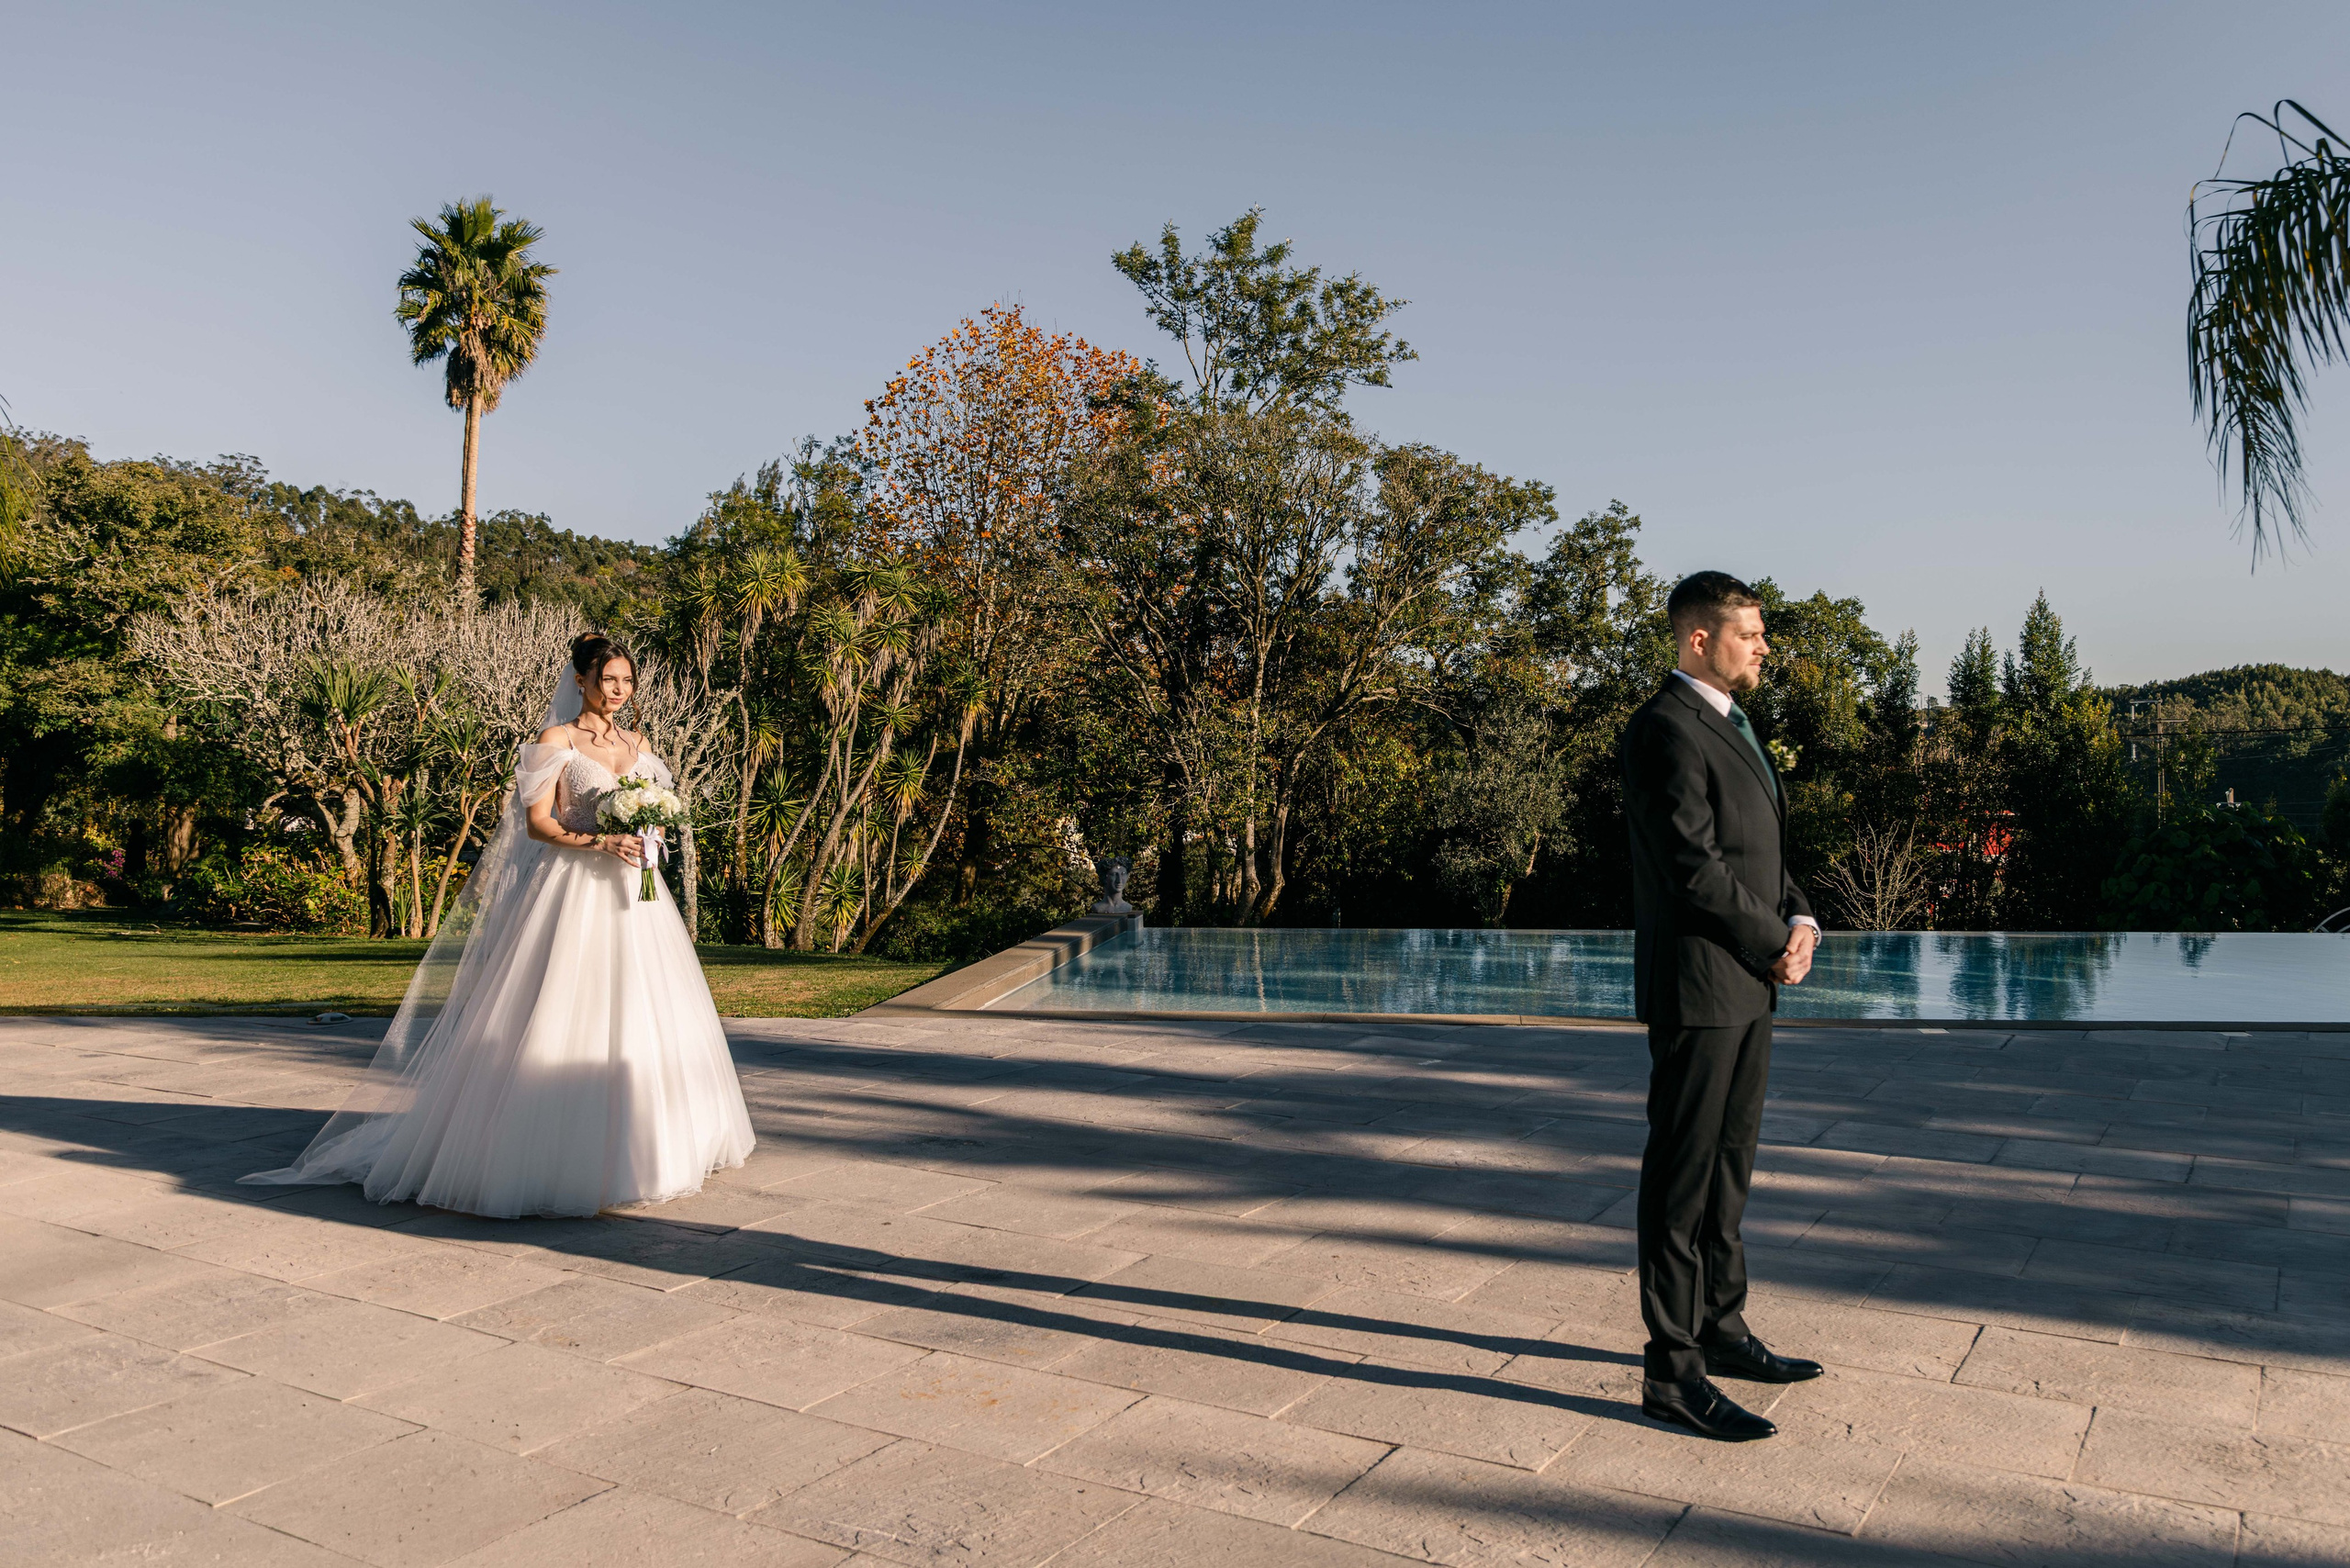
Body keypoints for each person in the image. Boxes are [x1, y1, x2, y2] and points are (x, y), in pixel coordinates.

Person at [245, 633, 754, 1217]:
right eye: (607, 679)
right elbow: (539, 824)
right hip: (573, 886)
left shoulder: (639, 743)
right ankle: (543, 1146)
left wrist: (648, 836)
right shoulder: (555, 741)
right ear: (581, 681)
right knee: (563, 1003)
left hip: (637, 893)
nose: (618, 690)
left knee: (647, 1005)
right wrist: (601, 841)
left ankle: (658, 1146)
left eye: (626, 681)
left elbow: (658, 811)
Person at [1619, 571, 1824, 1441]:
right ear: (1699, 639)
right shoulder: (1663, 728)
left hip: (1748, 983)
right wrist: (1774, 939)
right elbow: (1693, 866)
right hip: (1700, 985)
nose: (1764, 646)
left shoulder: (1733, 721)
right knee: (1683, 1180)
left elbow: (1758, 849)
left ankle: (1722, 1329)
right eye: (1750, 633)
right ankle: (1671, 1373)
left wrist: (1801, 916)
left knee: (1730, 1168)